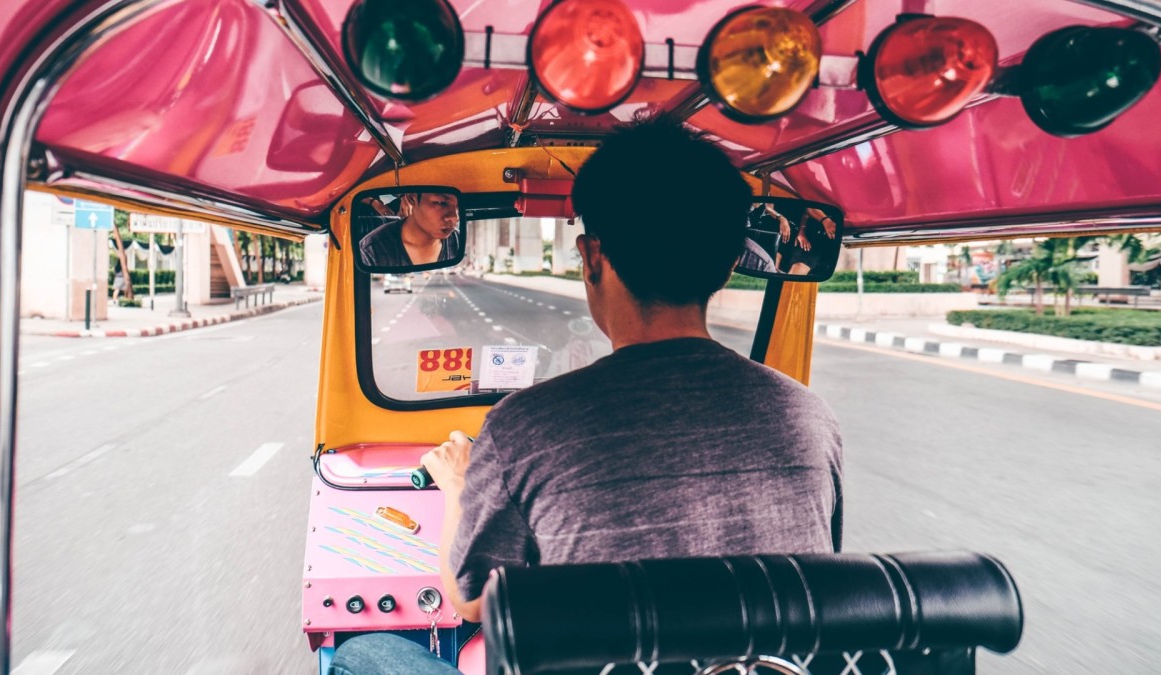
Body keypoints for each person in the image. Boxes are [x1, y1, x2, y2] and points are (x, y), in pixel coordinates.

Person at [330, 122, 843, 674]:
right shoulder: (809, 417)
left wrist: (457, 482)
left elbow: (472, 598)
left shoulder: (527, 426)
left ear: (591, 255)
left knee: (362, 654)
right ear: (723, 265)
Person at [357, 192, 462, 268]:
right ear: (412, 199)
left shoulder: (459, 243)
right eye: (441, 203)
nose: (454, 217)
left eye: (459, 206)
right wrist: (374, 203)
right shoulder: (370, 251)